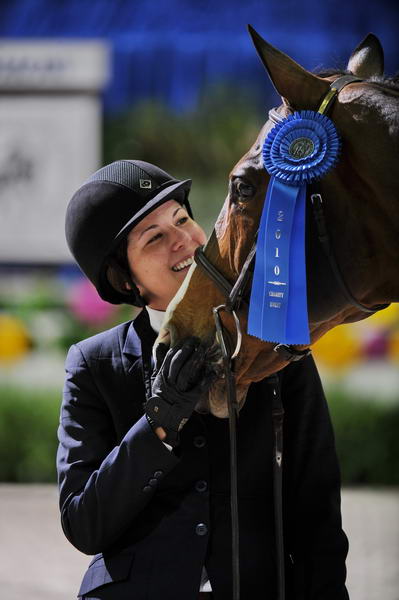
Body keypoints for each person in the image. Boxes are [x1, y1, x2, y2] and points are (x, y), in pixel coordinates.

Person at [57, 159, 350, 600]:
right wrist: (158, 424)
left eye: (182, 219)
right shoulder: (93, 364)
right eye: (155, 237)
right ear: (125, 280)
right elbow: (84, 525)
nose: (185, 242)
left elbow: (316, 507)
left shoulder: (276, 344)